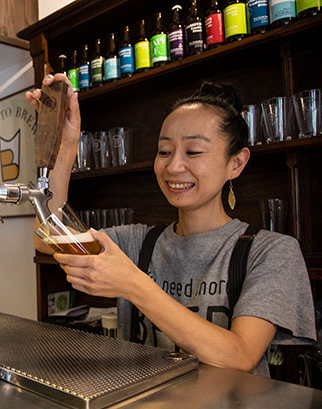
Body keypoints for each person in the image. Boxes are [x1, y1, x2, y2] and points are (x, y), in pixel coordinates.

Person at [27, 74, 316, 376]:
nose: (174, 166)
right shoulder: (139, 243)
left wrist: (133, 284)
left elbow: (240, 355)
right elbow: (47, 237)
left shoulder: (271, 251)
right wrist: (65, 149)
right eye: (164, 151)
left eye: (193, 152)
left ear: (236, 163)